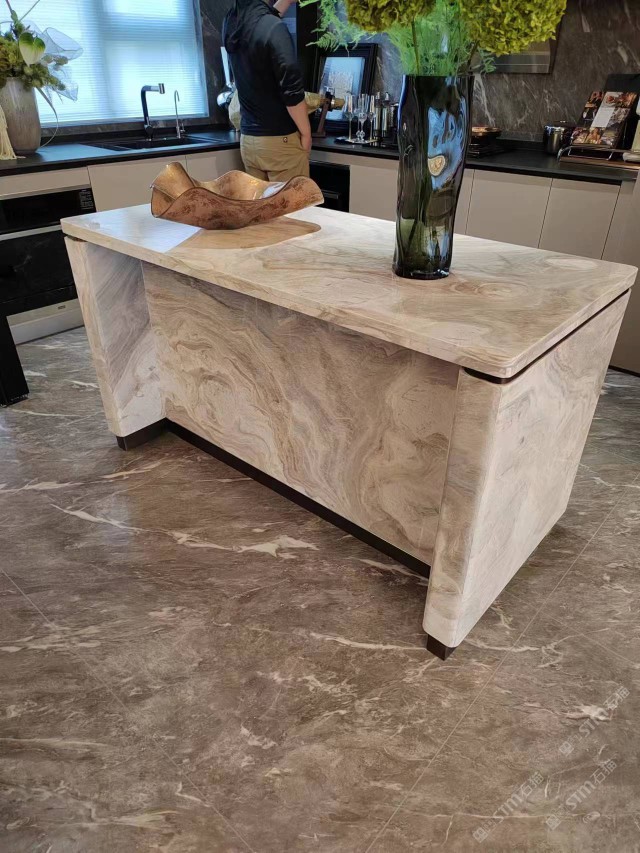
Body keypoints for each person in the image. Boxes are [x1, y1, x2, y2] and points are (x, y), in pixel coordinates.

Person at [223, 0, 312, 182]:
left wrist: (284, 2)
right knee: (292, 201)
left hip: (249, 142)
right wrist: (306, 132)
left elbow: (262, 24)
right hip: (280, 142)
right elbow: (291, 90)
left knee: (260, 201)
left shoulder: (231, 22)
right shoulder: (274, 27)